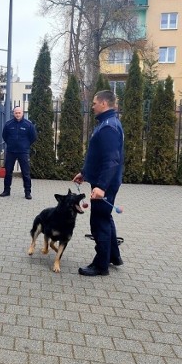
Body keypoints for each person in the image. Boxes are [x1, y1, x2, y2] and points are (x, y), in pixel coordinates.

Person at [73, 90, 124, 277]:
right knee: (105, 218)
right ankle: (113, 256)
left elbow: (111, 160)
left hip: (106, 185)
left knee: (99, 222)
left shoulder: (108, 127)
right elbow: (98, 156)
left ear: (103, 103)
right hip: (103, 182)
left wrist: (101, 187)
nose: (92, 105)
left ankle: (100, 265)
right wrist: (85, 173)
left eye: (94, 102)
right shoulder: (107, 123)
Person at [0, 106, 37, 200]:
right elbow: (4, 136)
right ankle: (6, 191)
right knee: (8, 172)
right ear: (13, 113)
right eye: (16, 113)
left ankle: (27, 192)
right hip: (11, 152)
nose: (17, 114)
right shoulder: (8, 124)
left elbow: (33, 137)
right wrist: (11, 144)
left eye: (19, 113)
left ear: (22, 113)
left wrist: (25, 145)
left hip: (23, 152)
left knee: (26, 173)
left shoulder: (28, 125)